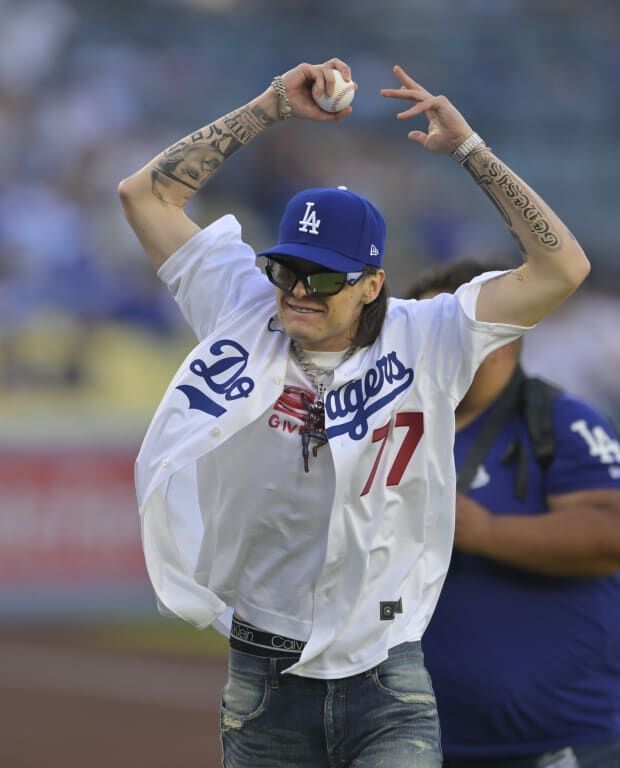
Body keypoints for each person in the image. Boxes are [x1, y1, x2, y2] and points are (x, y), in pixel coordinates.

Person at [117, 58, 590, 768]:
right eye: (287, 267)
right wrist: (271, 105)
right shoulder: (239, 305)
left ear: (372, 283)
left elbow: (563, 270)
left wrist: (470, 152)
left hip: (386, 672)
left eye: (324, 276)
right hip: (263, 672)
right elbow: (143, 196)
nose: (298, 289)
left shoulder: (430, 336)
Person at [408, 261, 620, 768]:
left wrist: (480, 530)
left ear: (500, 338)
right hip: (418, 743)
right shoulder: (386, 426)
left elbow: (610, 532)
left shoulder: (559, 421)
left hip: (563, 745)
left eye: (440, 332)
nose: (417, 349)